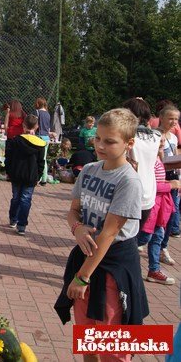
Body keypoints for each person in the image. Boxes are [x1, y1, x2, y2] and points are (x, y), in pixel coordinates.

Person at [55, 109, 149, 362]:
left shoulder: (128, 181)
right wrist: (77, 228)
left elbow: (109, 233)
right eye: (98, 138)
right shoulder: (89, 170)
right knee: (88, 340)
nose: (100, 146)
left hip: (113, 265)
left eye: (110, 141)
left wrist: (82, 278)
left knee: (112, 345)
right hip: (86, 257)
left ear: (129, 143)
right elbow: (73, 211)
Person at [136, 130, 176, 284]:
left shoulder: (157, 159)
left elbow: (157, 181)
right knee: (143, 238)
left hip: (160, 206)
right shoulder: (149, 161)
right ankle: (116, 257)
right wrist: (171, 185)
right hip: (151, 206)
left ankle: (154, 270)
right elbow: (148, 185)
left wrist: (169, 183)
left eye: (163, 141)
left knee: (158, 237)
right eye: (159, 141)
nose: (162, 144)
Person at [122, 98, 160, 233]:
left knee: (121, 236)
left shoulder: (127, 137)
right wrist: (142, 106)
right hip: (148, 193)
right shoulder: (157, 137)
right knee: (135, 234)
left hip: (128, 191)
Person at [4, 114, 46, 235]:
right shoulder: (40, 144)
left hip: (16, 174)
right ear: (37, 126)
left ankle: (13, 219)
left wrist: (8, 171)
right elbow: (41, 162)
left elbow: (8, 158)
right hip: (31, 176)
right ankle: (22, 226)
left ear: (23, 125)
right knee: (26, 199)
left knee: (16, 198)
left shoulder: (15, 141)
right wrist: (38, 176)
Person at [159, 105, 181, 267]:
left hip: (173, 178)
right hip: (160, 178)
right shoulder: (155, 135)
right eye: (171, 118)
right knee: (154, 215)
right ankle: (144, 241)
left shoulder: (173, 137)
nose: (174, 122)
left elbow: (174, 156)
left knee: (172, 213)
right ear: (161, 118)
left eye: (176, 119)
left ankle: (163, 247)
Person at [35, 97, 51, 185]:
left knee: (38, 159)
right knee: (43, 158)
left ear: (38, 104)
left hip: (39, 137)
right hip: (47, 138)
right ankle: (44, 179)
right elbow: (48, 128)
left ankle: (39, 178)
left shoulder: (37, 112)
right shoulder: (48, 114)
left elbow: (36, 125)